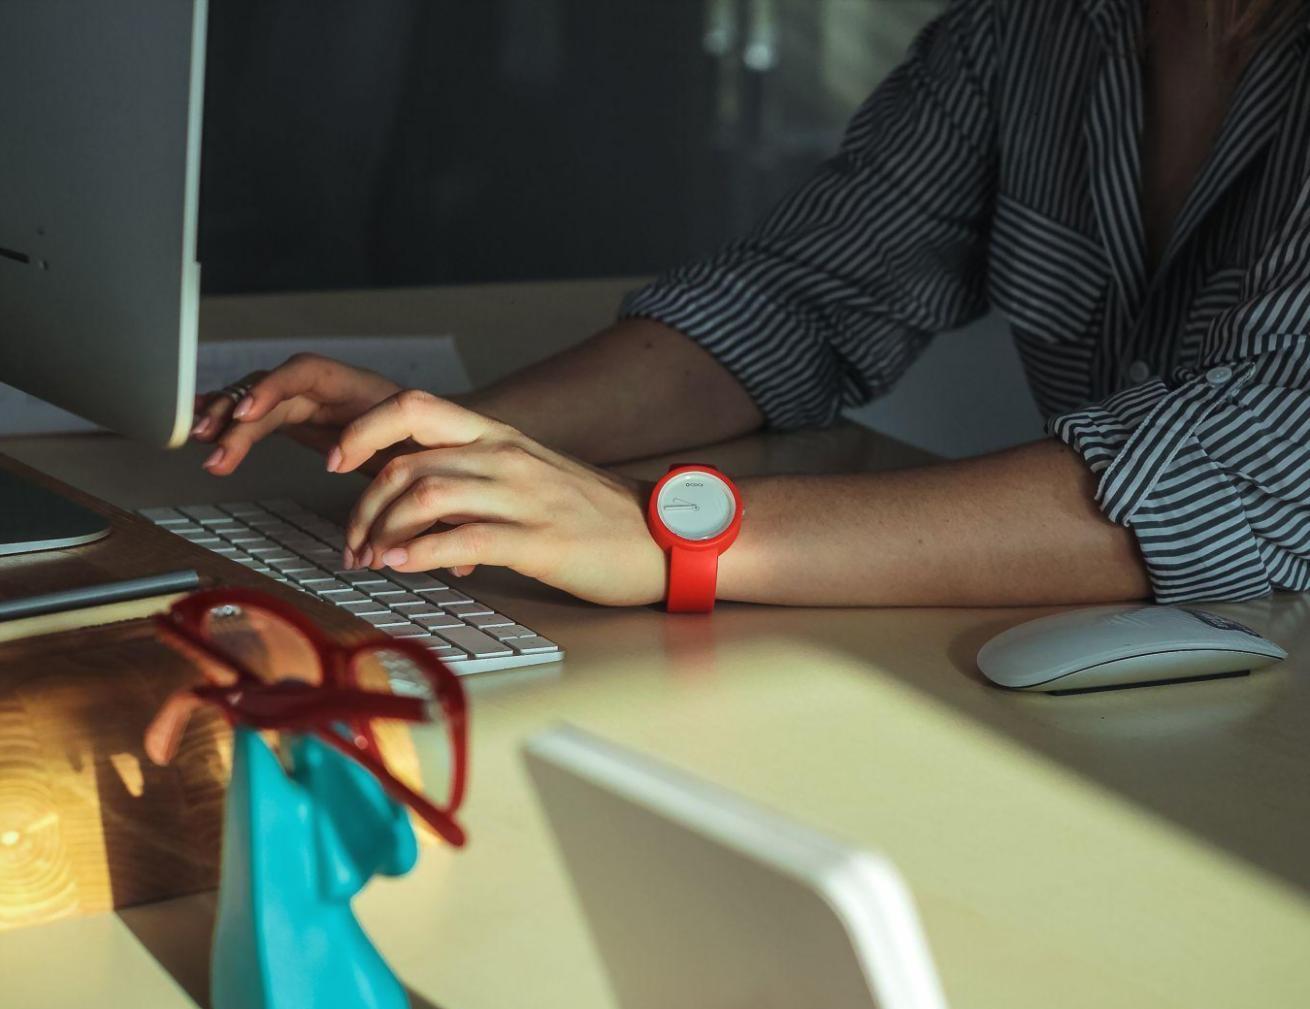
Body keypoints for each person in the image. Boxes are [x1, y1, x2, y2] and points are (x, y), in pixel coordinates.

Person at [190, 0, 1310, 610]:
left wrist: (668, 536)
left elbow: (1242, 464)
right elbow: (794, 300)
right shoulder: (1023, 32)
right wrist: (470, 437)